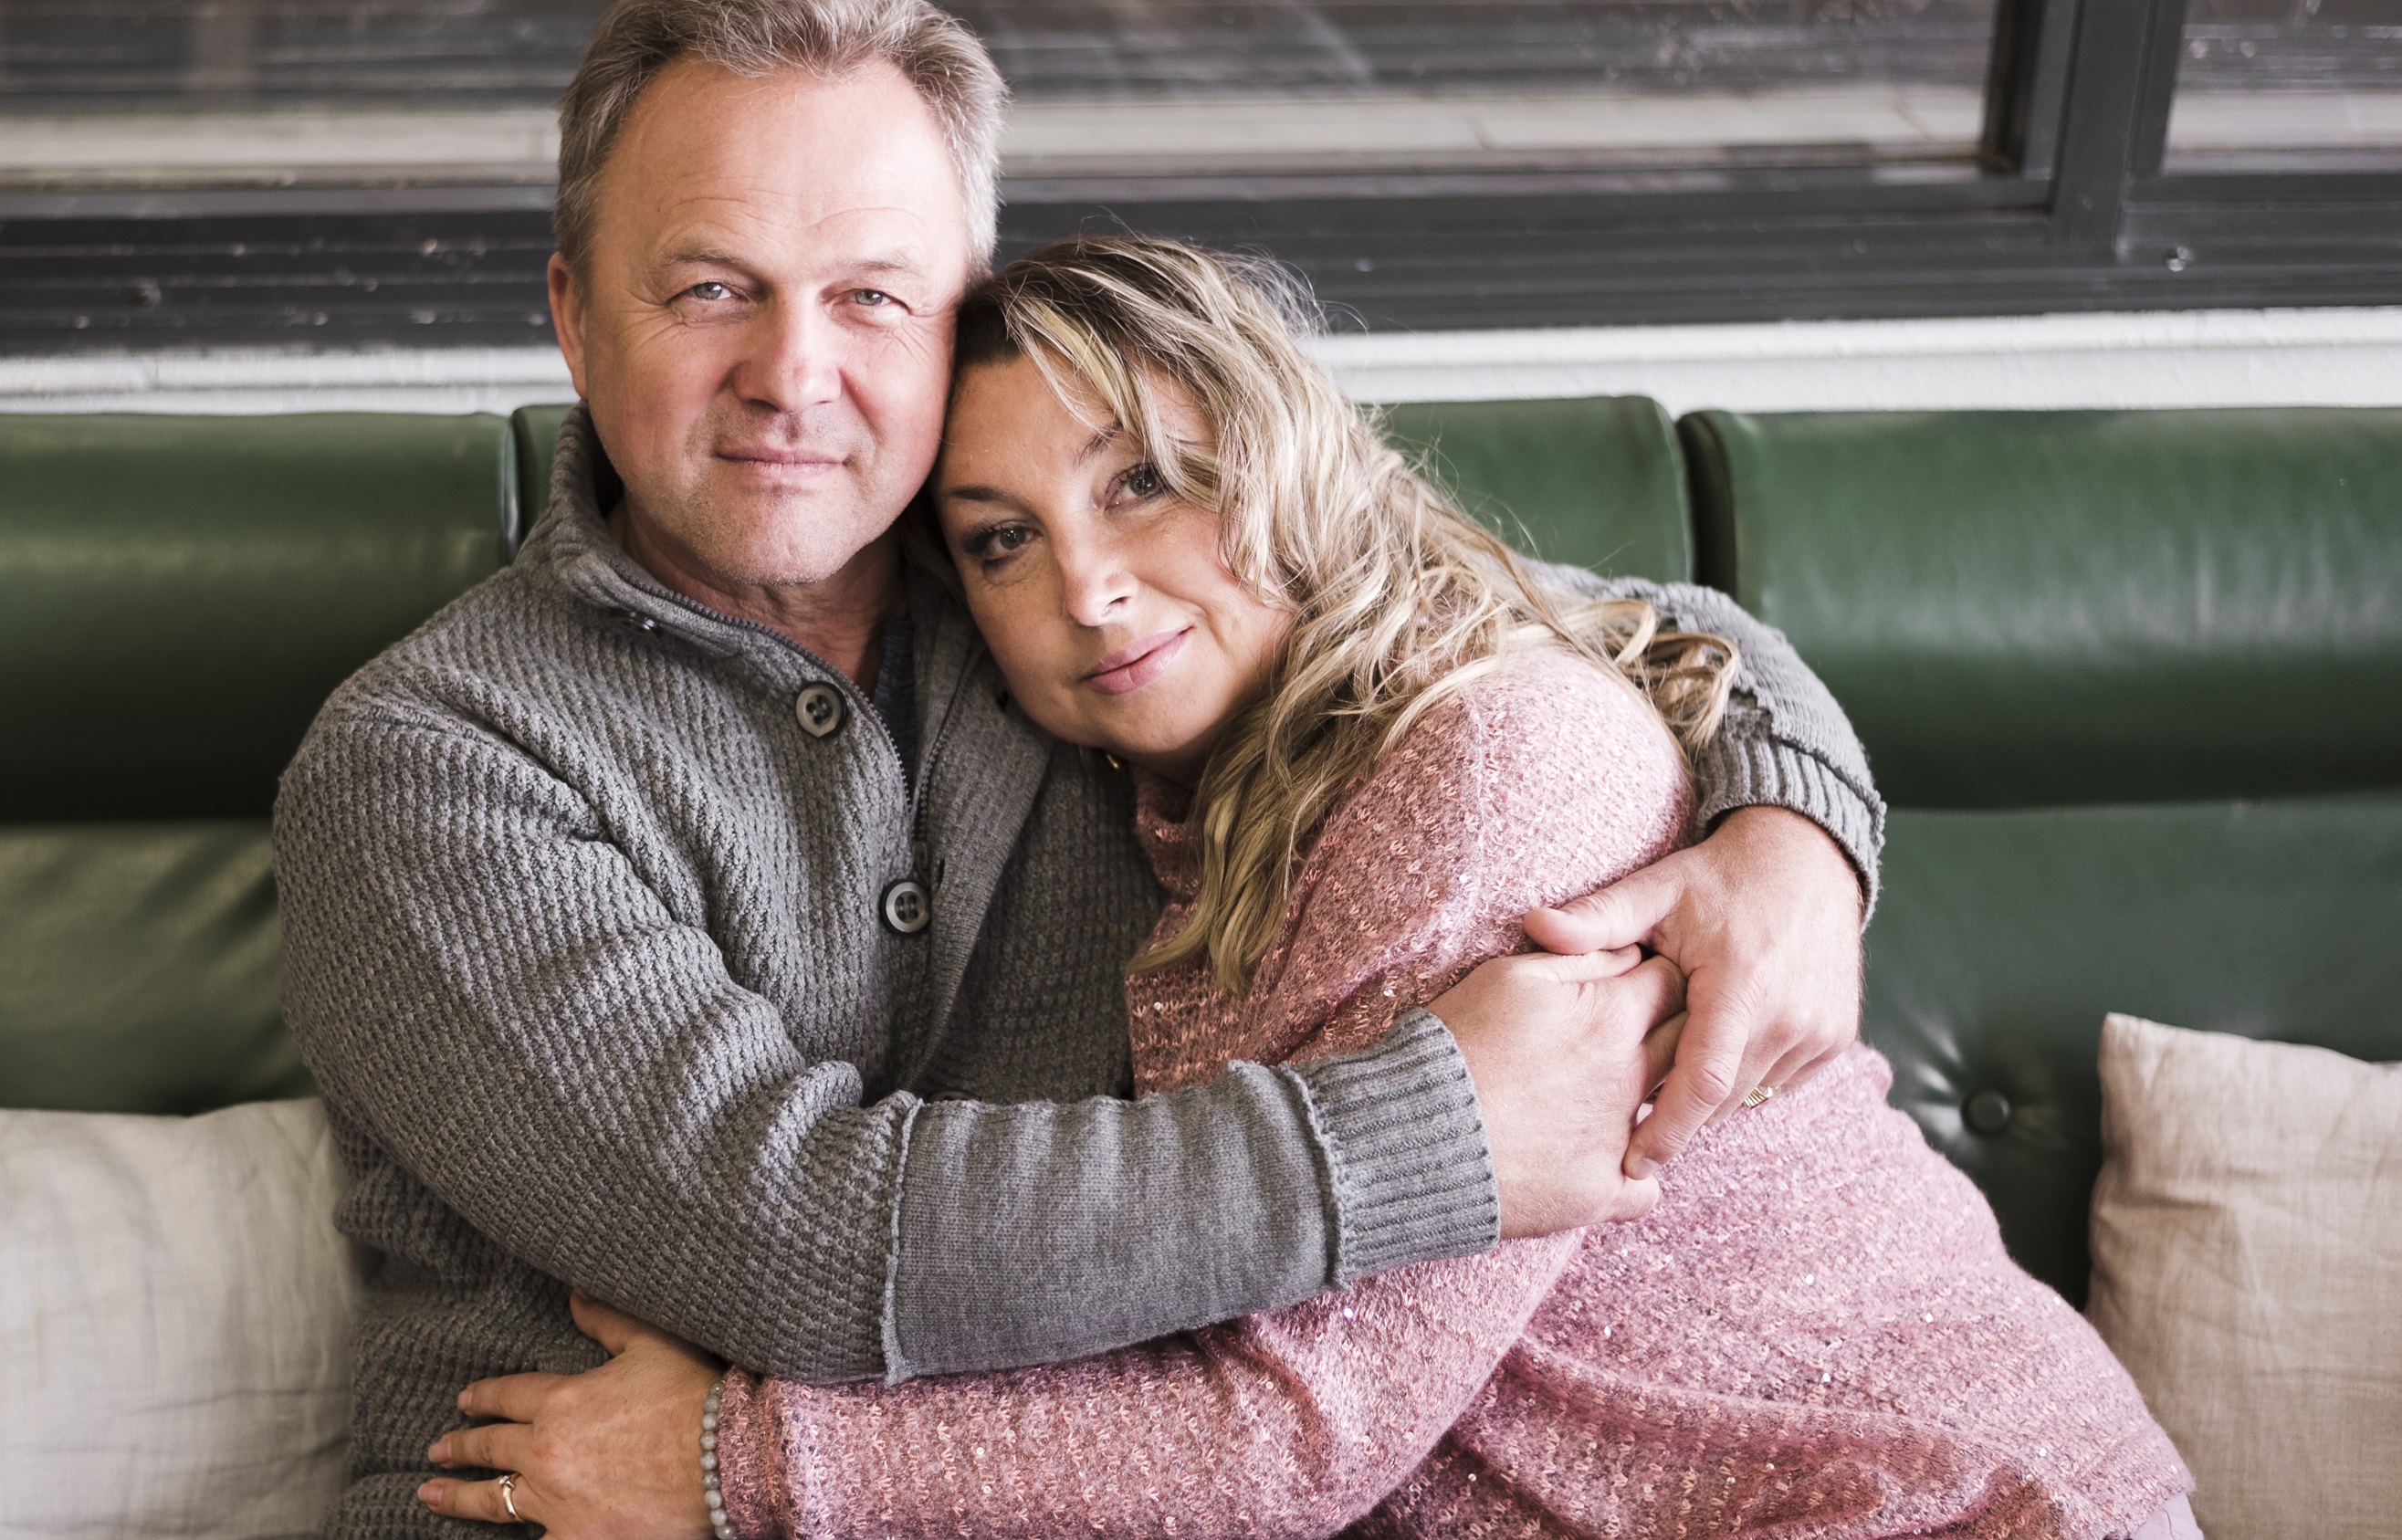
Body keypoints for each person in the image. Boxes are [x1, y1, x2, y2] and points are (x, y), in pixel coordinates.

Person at [271, 2, 1882, 1535]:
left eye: (872, 298)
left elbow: (1603, 625)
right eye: (708, 289)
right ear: (571, 314)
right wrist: (1435, 1136)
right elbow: (799, 1241)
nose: (791, 373)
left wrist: (1792, 829)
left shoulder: (1065, 591)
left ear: (960, 314)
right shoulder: (429, 764)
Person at [422, 237, 2195, 1540]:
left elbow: (1296, 1423)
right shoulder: (1168, 753)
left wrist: (740, 1467)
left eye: (1151, 481)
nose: (1092, 590)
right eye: (1001, 541)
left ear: (1285, 456)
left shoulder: (1480, 763)